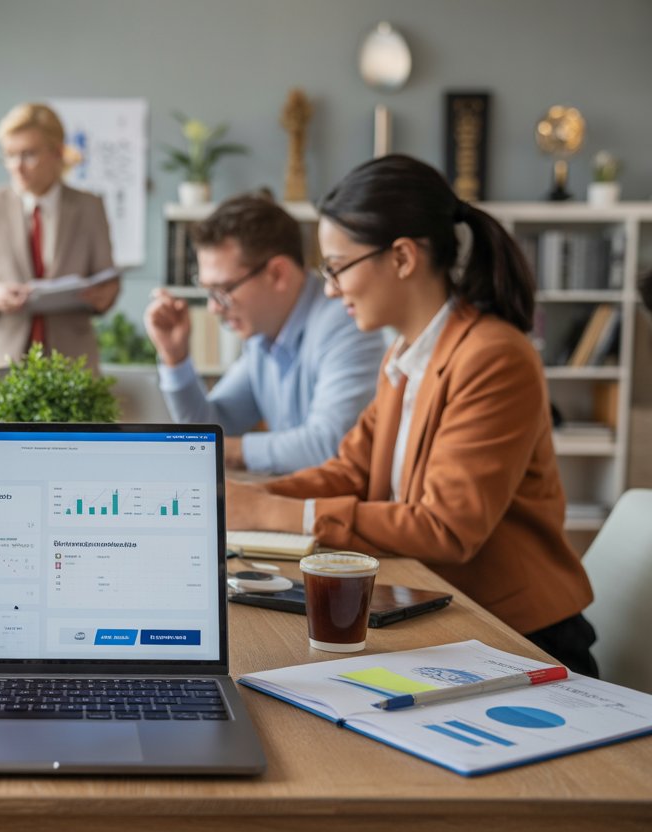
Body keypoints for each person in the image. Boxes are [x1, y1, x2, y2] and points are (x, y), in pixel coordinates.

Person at [228, 155, 597, 675]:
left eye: (336, 268)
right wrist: (248, 500)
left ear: (402, 257)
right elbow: (350, 472)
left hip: (521, 637)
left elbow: (446, 527)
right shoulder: (405, 354)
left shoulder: (493, 356)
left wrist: (269, 513)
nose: (330, 289)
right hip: (443, 613)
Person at [144, 195, 385, 473]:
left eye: (223, 291)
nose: (213, 308)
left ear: (277, 274)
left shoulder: (345, 321)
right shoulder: (262, 338)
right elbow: (214, 424)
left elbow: (328, 445)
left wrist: (214, 449)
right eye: (208, 291)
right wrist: (175, 357)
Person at [0, 102, 120, 375]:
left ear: (57, 153)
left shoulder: (89, 207)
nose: (16, 167)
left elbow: (107, 279)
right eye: (9, 155)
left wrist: (105, 295)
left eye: (28, 155)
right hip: (2, 357)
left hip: (71, 360)